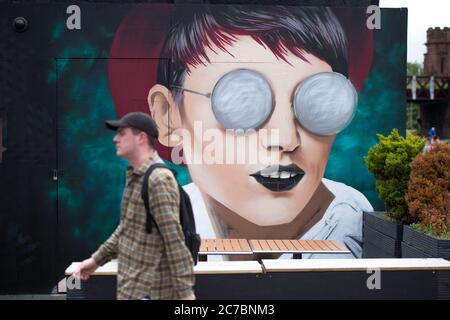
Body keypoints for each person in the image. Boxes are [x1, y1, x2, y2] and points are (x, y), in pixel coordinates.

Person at [144, 6, 373, 259]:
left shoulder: (349, 223)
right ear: (167, 115)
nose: (286, 139)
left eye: (317, 103)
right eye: (241, 101)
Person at [73, 112, 195, 300]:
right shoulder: (136, 176)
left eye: (122, 133)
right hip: (134, 289)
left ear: (141, 138)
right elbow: (126, 229)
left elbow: (174, 240)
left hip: (151, 292)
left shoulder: (158, 179)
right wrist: (95, 261)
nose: (115, 139)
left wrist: (186, 294)